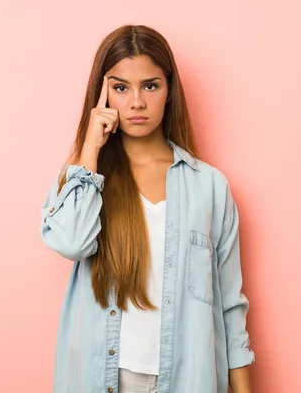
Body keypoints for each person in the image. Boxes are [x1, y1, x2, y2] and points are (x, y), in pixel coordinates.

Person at [40, 24, 255, 393]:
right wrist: (91, 148)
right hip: (105, 379)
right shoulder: (83, 180)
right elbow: (71, 243)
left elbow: (230, 308)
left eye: (150, 85)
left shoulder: (209, 186)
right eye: (121, 88)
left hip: (191, 378)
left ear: (169, 91)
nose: (136, 102)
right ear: (103, 94)